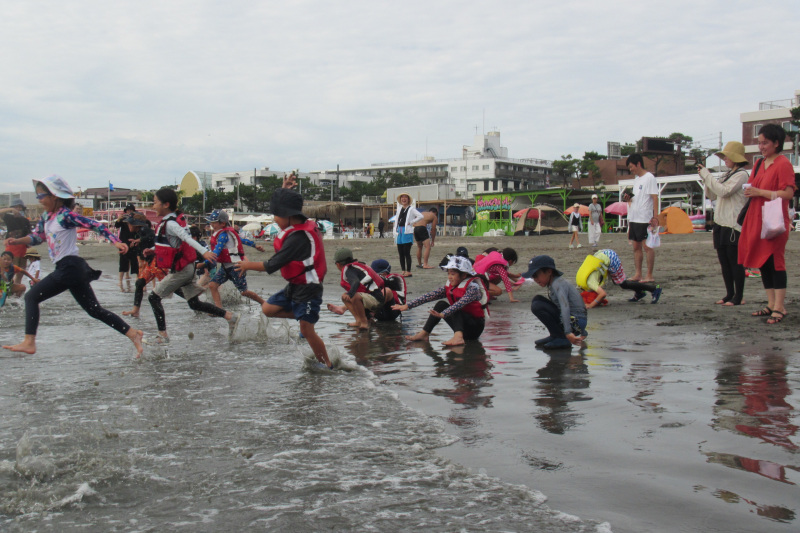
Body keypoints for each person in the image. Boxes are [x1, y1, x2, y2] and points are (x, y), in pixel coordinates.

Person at [2, 175, 144, 356]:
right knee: (94, 310)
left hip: (69, 266)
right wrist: (17, 241)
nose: (40, 200)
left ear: (55, 196)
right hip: (70, 268)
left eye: (41, 196)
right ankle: (133, 334)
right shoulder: (47, 217)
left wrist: (115, 241)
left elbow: (93, 224)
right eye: (37, 196)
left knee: (31, 297)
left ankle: (29, 341)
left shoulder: (65, 215)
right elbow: (37, 237)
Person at [234, 174, 332, 368]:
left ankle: (327, 365)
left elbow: (271, 266)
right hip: (296, 284)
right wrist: (284, 188)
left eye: (276, 216)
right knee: (267, 309)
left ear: (288, 215)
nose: (275, 219)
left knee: (307, 329)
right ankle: (302, 313)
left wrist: (247, 265)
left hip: (309, 287)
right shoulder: (294, 225)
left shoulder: (298, 238)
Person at [145, 188, 239, 344]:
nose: (153, 206)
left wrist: (205, 252)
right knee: (194, 303)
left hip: (182, 270)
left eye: (155, 202)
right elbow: (174, 244)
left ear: (166, 204)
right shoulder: (174, 220)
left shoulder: (171, 224)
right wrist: (153, 250)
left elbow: (186, 238)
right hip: (187, 267)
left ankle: (162, 335)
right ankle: (230, 316)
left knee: (153, 297)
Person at [738, 124, 796, 324]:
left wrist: (760, 192)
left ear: (776, 143)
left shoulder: (783, 164)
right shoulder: (759, 164)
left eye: (765, 143)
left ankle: (779, 306)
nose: (761, 147)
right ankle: (771, 304)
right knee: (763, 262)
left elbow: (788, 193)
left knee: (775, 261)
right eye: (760, 143)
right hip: (757, 218)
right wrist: (751, 190)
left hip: (775, 220)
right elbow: (753, 186)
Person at [393, 255, 490, 346]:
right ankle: (424, 334)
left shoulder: (473, 288)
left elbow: (460, 304)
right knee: (441, 304)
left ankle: (458, 337)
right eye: (448, 274)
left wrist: (443, 314)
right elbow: (430, 296)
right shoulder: (451, 286)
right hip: (462, 325)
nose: (449, 277)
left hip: (474, 328)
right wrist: (408, 305)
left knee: (456, 308)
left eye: (452, 274)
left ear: (464, 275)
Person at [698, 141, 749, 306]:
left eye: (727, 156)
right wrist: (706, 179)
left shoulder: (741, 175)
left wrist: (708, 176)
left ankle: (738, 296)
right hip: (720, 222)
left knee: (735, 261)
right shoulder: (727, 174)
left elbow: (724, 192)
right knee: (724, 261)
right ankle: (729, 294)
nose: (725, 159)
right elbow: (713, 194)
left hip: (733, 224)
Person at [204, 209, 266, 308]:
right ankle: (219, 309)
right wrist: (255, 245)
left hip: (236, 267)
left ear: (222, 223)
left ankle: (264, 303)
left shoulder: (224, 235)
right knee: (212, 285)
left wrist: (205, 262)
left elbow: (217, 251)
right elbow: (243, 241)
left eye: (214, 222)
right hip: (225, 267)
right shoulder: (224, 233)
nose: (212, 224)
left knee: (244, 292)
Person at [523, 255, 587, 350]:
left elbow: (565, 307)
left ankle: (561, 338)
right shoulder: (554, 283)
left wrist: (568, 332)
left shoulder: (558, 284)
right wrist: (583, 331)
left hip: (574, 323)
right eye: (532, 276)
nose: (535, 279)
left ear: (549, 271)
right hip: (575, 321)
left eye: (536, 275)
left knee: (537, 306)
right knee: (537, 299)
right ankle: (555, 335)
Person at [327, 247, 391, 329]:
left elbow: (355, 282)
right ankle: (358, 321)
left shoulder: (349, 271)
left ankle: (364, 323)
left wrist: (350, 293)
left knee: (353, 296)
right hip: (374, 298)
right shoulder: (356, 267)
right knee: (345, 296)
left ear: (338, 264)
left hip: (376, 300)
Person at [576, 248, 662, 307]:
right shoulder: (581, 282)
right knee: (616, 281)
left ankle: (654, 289)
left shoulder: (591, 283)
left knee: (622, 283)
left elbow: (603, 294)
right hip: (602, 254)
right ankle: (639, 292)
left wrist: (591, 305)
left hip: (611, 257)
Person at [122, 213, 166, 318]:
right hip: (151, 263)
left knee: (173, 286)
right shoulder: (139, 232)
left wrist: (139, 240)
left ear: (136, 225)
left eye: (129, 224)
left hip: (157, 263)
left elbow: (152, 235)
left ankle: (192, 299)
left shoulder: (144, 230)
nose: (128, 226)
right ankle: (135, 310)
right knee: (139, 283)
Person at [624, 153, 659, 282]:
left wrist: (655, 217)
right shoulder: (637, 179)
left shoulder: (649, 178)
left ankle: (649, 275)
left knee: (647, 247)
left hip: (645, 218)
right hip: (634, 217)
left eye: (631, 166)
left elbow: (654, 197)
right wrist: (628, 198)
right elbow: (635, 197)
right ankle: (638, 273)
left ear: (638, 164)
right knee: (636, 247)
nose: (630, 169)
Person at [1, 198, 32, 284]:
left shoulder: (26, 220)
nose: (18, 209)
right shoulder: (8, 217)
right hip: (11, 247)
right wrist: (11, 209)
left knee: (20, 272)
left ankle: (15, 293)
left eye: (20, 207)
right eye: (16, 207)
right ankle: (5, 291)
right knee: (8, 270)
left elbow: (30, 234)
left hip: (23, 249)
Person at [392, 192, 423, 277]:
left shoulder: (411, 209)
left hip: (407, 232)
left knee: (406, 252)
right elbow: (396, 220)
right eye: (402, 197)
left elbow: (420, 216)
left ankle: (408, 271)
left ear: (408, 199)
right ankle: (403, 270)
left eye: (405, 197)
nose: (404, 199)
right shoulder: (399, 209)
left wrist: (411, 222)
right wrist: (395, 230)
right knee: (400, 252)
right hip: (399, 231)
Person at [114, 204, 138, 292]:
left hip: (133, 242)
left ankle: (137, 279)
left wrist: (135, 241)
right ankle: (120, 281)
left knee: (135, 261)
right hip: (123, 243)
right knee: (123, 261)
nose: (129, 212)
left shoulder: (136, 219)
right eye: (127, 210)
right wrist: (119, 218)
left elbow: (139, 229)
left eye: (130, 210)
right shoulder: (123, 219)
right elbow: (116, 225)